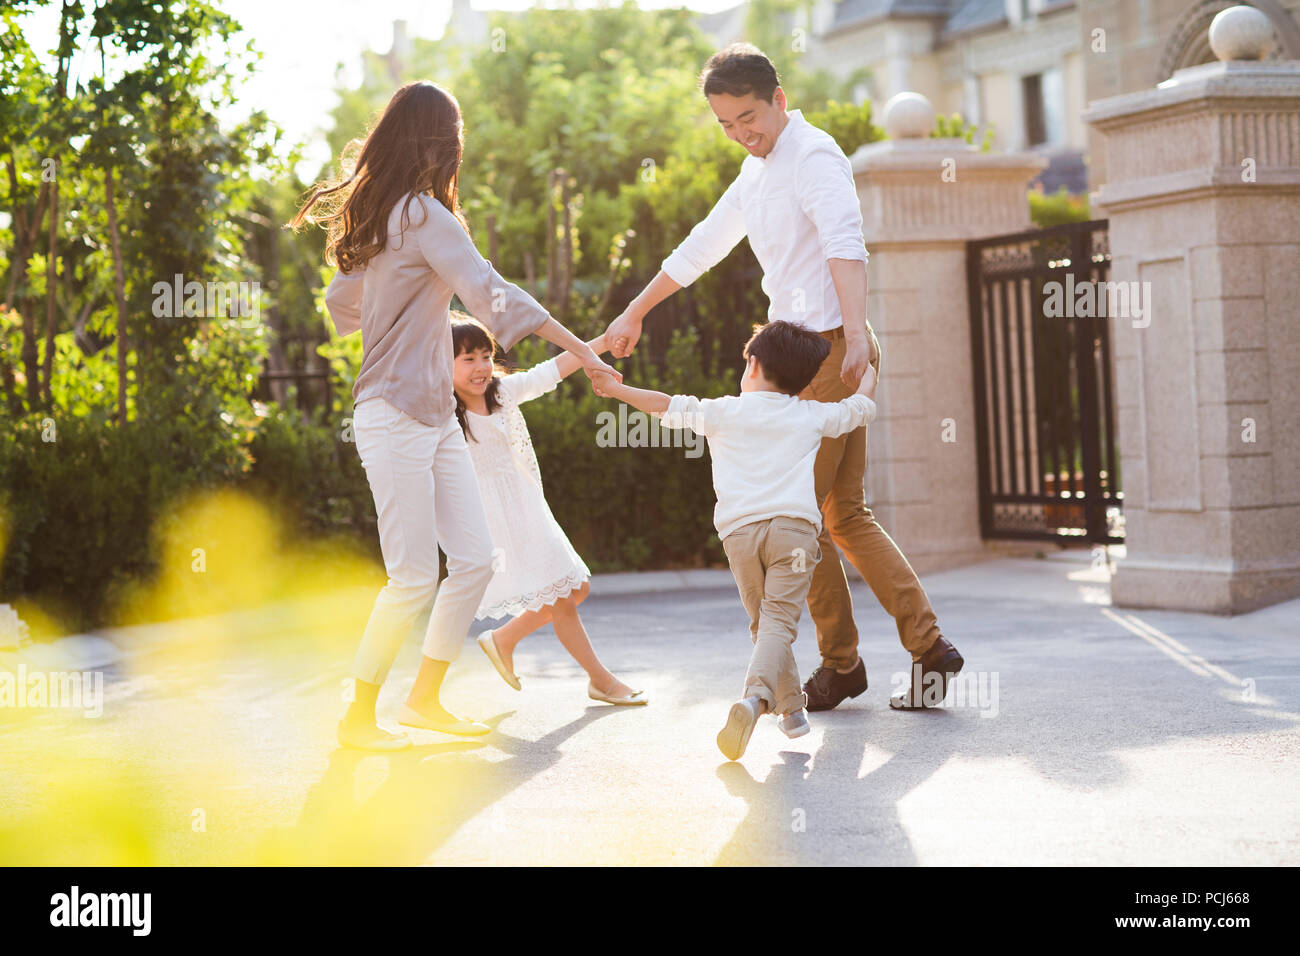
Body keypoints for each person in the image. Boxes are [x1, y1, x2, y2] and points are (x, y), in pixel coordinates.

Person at [604, 43, 963, 712]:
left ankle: (845, 662)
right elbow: (704, 243)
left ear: (780, 99)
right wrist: (636, 310)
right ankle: (927, 648)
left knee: (801, 517)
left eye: (749, 118)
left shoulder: (813, 155)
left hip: (829, 349)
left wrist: (855, 337)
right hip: (811, 353)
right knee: (844, 515)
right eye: (726, 125)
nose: (742, 134)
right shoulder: (755, 171)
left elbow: (843, 241)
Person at [291, 80, 621, 751]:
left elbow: (341, 304)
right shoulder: (423, 217)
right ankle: (357, 721)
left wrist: (404, 311)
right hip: (391, 414)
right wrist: (583, 349)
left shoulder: (384, 221)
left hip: (430, 416)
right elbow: (494, 297)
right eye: (458, 133)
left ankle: (423, 700)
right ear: (442, 140)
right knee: (412, 577)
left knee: (473, 559)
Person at [590, 320, 876, 760]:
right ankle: (756, 700)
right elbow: (858, 409)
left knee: (766, 623)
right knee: (778, 622)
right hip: (794, 536)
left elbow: (665, 406)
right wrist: (869, 366)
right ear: (802, 380)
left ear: (754, 364)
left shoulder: (723, 411)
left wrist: (616, 390)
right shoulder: (810, 413)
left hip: (740, 538)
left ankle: (790, 711)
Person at [448, 314, 646, 706]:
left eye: (486, 356)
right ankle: (602, 681)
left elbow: (550, 371)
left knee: (577, 588)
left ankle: (503, 639)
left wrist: (600, 344)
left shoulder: (501, 394)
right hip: (491, 522)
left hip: (527, 510)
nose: (481, 367)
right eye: (467, 359)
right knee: (562, 598)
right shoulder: (443, 414)